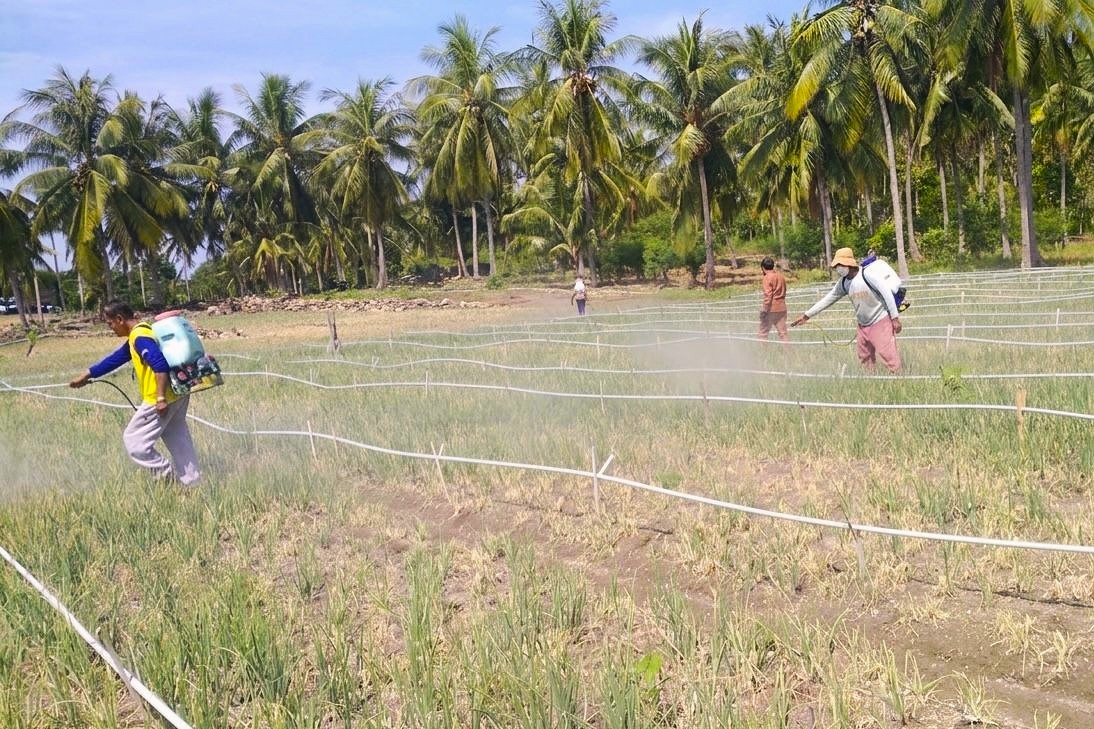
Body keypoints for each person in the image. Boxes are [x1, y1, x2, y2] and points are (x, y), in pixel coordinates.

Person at [69, 300, 201, 486]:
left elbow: (160, 365)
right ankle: (193, 483)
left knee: (134, 442)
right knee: (178, 439)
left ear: (120, 319)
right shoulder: (141, 332)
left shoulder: (140, 338)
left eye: (110, 324)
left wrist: (160, 398)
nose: (111, 328)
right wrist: (87, 374)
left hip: (160, 398)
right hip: (179, 392)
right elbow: (116, 358)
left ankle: (167, 480)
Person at [791, 247, 903, 373]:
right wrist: (807, 315)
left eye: (840, 265)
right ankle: (870, 380)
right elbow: (828, 299)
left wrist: (895, 318)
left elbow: (886, 293)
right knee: (864, 357)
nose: (838, 268)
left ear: (848, 263)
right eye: (836, 266)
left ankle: (899, 379)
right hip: (863, 325)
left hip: (880, 321)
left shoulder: (866, 275)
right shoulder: (844, 282)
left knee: (888, 355)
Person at [757, 257, 788, 342]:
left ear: (763, 267)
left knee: (762, 333)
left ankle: (763, 354)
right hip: (782, 308)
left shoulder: (767, 278)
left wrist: (764, 310)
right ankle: (789, 354)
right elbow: (784, 291)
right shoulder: (781, 276)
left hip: (771, 309)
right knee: (783, 334)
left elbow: (768, 296)